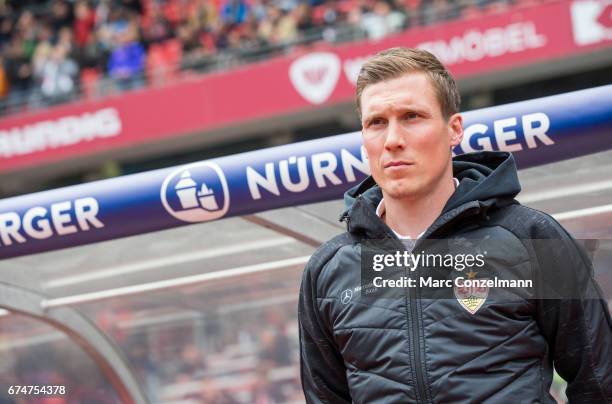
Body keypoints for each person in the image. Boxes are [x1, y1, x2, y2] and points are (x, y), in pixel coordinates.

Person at [298, 47, 612, 403]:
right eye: (377, 123)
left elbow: (600, 381)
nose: (393, 140)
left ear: (454, 129)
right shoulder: (327, 270)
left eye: (412, 116)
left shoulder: (532, 237)